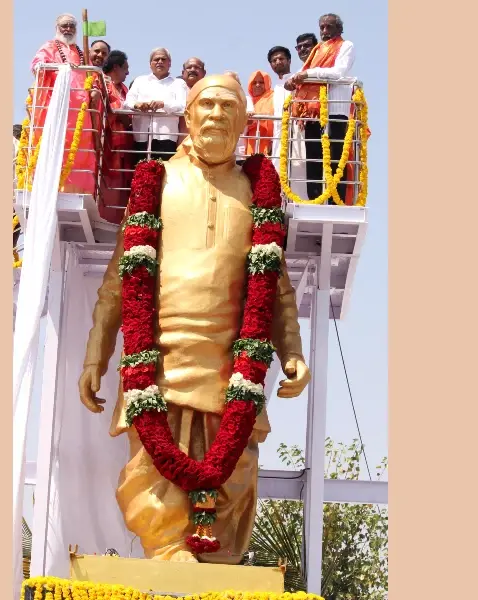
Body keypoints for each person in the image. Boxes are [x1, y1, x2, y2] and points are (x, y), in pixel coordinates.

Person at [79, 74, 310, 564]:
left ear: (245, 123)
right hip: (159, 364)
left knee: (235, 469)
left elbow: (278, 288)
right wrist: (94, 356)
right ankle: (166, 549)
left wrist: (292, 352)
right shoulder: (157, 184)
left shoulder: (256, 194)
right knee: (153, 470)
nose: (216, 117)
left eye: (229, 109)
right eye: (206, 106)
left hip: (230, 372)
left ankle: (219, 562)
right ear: (187, 116)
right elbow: (119, 283)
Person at [285, 13, 355, 202]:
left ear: (339, 29)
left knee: (335, 156)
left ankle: (336, 200)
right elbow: (300, 75)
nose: (324, 31)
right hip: (312, 111)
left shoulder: (346, 46)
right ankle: (313, 197)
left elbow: (339, 72)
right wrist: (292, 82)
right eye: (322, 27)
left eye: (329, 27)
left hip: (335, 109)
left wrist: (308, 74)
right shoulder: (316, 50)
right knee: (313, 156)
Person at [30, 14, 97, 196]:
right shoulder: (49, 46)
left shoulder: (81, 52)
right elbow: (37, 65)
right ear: (57, 28)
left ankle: (76, 191)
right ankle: (51, 190)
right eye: (64, 26)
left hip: (80, 111)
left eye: (71, 26)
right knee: (56, 146)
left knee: (81, 153)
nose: (68, 29)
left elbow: (93, 77)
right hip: (58, 108)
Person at [124, 48, 188, 164]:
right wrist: (137, 105)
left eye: (163, 59)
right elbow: (127, 102)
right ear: (150, 64)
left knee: (165, 175)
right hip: (141, 135)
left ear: (169, 63)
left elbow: (183, 106)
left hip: (167, 137)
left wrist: (163, 104)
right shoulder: (140, 81)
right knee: (140, 174)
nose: (160, 62)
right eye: (156, 59)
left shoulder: (179, 83)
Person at [98, 50, 133, 225]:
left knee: (122, 183)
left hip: (125, 143)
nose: (127, 73)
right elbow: (109, 108)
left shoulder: (124, 88)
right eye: (125, 68)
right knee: (109, 184)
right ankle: (105, 222)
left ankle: (118, 223)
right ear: (116, 67)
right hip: (108, 142)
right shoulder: (102, 82)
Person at [267, 46, 293, 169]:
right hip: (278, 137)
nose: (278, 62)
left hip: (297, 135)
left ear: (289, 61)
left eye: (281, 58)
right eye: (274, 60)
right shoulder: (276, 89)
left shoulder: (296, 82)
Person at [246, 71, 274, 156]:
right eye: (254, 83)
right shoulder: (247, 101)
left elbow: (272, 120)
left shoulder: (273, 97)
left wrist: (254, 118)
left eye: (261, 82)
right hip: (251, 143)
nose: (257, 85)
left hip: (268, 143)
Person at [179, 58, 206, 137]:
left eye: (197, 67)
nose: (192, 69)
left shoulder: (210, 91)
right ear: (183, 72)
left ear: (204, 73)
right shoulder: (175, 89)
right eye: (189, 67)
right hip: (179, 137)